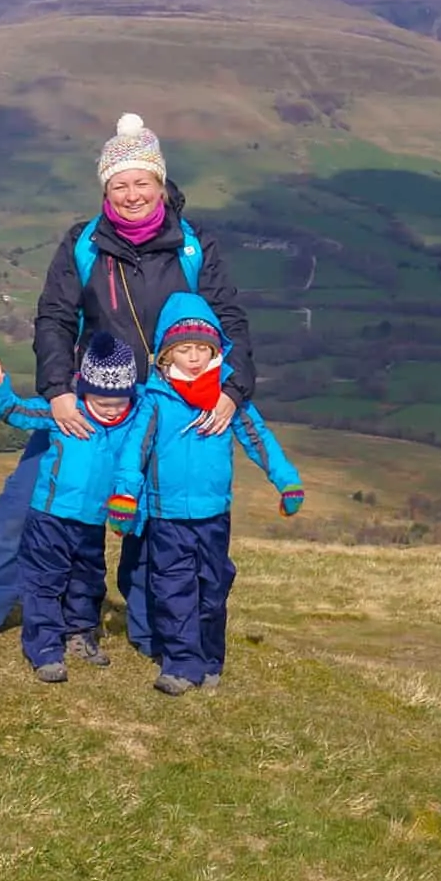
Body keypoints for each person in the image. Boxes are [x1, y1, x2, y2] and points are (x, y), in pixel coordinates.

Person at [0, 114, 256, 646]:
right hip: (89, 399)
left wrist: (231, 389)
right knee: (30, 500)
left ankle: (161, 633)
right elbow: (55, 319)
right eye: (119, 184)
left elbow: (231, 322)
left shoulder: (196, 248)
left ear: (161, 185)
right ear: (106, 189)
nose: (132, 194)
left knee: (160, 524)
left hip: (169, 406)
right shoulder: (83, 244)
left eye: (141, 182)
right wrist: (58, 392)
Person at [113, 291, 303, 696]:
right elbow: (134, 452)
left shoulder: (227, 402)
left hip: (214, 515)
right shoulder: (156, 403)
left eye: (203, 348)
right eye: (185, 349)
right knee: (174, 588)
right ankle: (181, 665)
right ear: (166, 355)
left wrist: (286, 480)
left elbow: (259, 440)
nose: (195, 357)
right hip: (167, 517)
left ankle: (210, 659)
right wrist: (125, 496)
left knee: (213, 588)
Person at [0, 333, 141, 682]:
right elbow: (19, 413)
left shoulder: (133, 422)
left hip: (92, 524)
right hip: (49, 518)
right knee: (43, 583)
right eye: (103, 401)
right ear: (85, 390)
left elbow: (134, 461)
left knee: (88, 580)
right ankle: (45, 649)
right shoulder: (65, 412)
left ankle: (81, 635)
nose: (111, 409)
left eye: (119, 402)